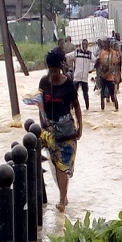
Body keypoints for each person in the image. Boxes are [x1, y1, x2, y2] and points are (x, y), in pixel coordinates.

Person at [37, 50, 83, 213]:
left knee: (62, 166)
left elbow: (76, 106)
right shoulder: (43, 83)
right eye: (51, 70)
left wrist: (80, 127)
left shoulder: (68, 84)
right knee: (53, 163)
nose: (54, 74)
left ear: (61, 68)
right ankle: (63, 195)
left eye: (56, 70)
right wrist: (42, 123)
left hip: (66, 131)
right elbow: (40, 104)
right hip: (49, 130)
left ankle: (62, 200)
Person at [65, 39, 95, 110]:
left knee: (86, 94)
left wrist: (92, 68)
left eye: (86, 44)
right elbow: (67, 56)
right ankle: (71, 108)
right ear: (81, 44)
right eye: (83, 44)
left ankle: (87, 108)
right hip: (77, 77)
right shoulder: (77, 52)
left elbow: (95, 60)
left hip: (84, 78)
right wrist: (68, 65)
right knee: (74, 94)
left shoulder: (89, 54)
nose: (85, 45)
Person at [97, 41, 120, 111]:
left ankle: (117, 109)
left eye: (107, 44)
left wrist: (113, 75)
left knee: (113, 96)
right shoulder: (101, 53)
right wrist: (101, 73)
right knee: (102, 95)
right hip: (103, 76)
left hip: (110, 77)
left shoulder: (114, 53)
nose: (105, 45)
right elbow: (99, 64)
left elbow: (115, 66)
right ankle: (102, 110)